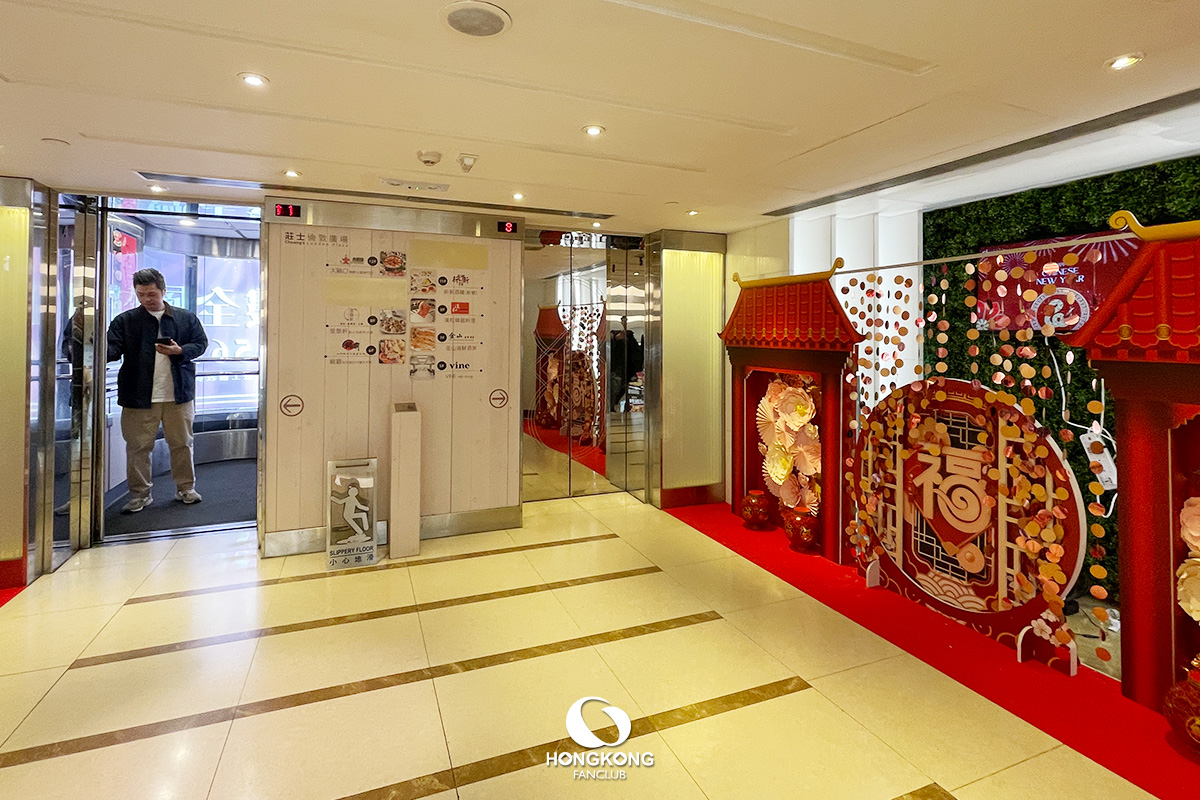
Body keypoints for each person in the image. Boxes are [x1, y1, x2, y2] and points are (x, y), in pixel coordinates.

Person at [106, 268, 208, 513]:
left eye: (151, 294)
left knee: (182, 443)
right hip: (137, 394)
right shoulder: (125, 320)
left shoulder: (185, 318)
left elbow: (201, 343)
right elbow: (112, 349)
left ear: (163, 291)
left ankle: (186, 488)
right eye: (141, 294)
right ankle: (140, 494)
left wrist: (180, 351)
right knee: (138, 447)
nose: (146, 299)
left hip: (178, 393)